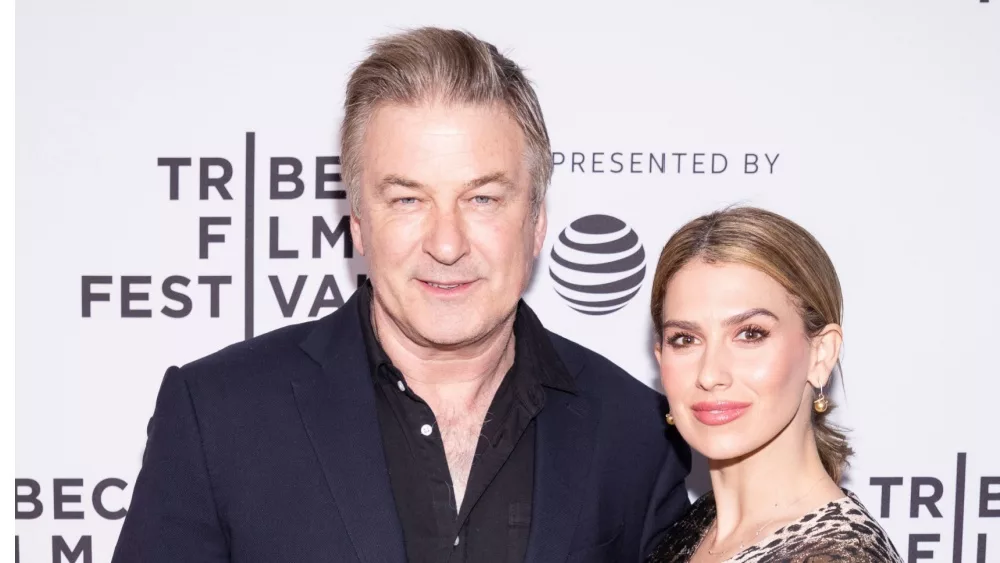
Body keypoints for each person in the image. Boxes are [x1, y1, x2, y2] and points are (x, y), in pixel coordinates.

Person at [111, 27, 691, 563]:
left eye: (482, 198)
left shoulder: (637, 434)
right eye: (408, 200)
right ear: (359, 222)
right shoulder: (217, 415)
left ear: (536, 220)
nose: (446, 243)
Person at [645, 207, 903, 562]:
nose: (709, 374)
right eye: (685, 339)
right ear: (660, 357)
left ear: (821, 353)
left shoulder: (834, 556)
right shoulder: (700, 524)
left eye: (750, 334)